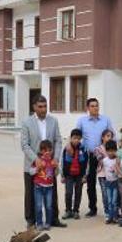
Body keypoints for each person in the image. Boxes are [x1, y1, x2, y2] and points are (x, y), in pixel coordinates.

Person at [21, 95, 65, 228]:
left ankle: (53, 219)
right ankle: (31, 220)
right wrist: (36, 159)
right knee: (30, 193)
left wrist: (56, 158)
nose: (43, 109)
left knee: (52, 192)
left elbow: (58, 140)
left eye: (45, 106)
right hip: (32, 164)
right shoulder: (27, 123)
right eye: (40, 106)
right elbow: (24, 144)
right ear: (34, 107)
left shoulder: (53, 121)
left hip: (50, 165)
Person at [76, 98, 114, 218]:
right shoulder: (82, 121)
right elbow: (77, 136)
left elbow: (112, 135)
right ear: (87, 108)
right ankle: (92, 208)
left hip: (105, 156)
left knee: (108, 181)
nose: (95, 108)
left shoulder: (105, 120)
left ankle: (110, 208)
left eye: (97, 106)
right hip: (90, 156)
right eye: (92, 106)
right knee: (90, 183)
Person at [31, 140, 57, 230]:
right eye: (45, 150)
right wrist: (38, 168)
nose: (48, 152)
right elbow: (31, 172)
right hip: (38, 186)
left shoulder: (52, 161)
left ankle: (48, 223)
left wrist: (56, 167)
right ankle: (39, 223)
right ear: (41, 151)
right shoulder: (38, 160)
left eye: (50, 150)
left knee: (49, 206)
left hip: (49, 187)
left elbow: (56, 173)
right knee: (38, 206)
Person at [61, 129, 87, 220]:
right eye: (75, 138)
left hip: (80, 175)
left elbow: (87, 163)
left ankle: (76, 211)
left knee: (78, 193)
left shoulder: (83, 148)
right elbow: (63, 162)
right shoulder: (66, 149)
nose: (77, 140)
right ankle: (68, 210)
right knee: (68, 192)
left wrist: (85, 175)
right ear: (70, 138)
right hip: (69, 175)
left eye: (79, 139)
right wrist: (62, 175)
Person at [93, 130, 115, 222]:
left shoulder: (115, 148)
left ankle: (114, 213)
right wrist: (111, 154)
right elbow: (101, 160)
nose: (109, 138)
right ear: (102, 137)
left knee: (114, 195)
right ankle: (107, 212)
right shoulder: (98, 149)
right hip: (102, 174)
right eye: (107, 136)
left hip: (114, 175)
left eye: (111, 136)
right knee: (105, 195)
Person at [100, 140, 120, 224]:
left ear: (115, 150)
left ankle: (115, 216)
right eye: (109, 151)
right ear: (106, 151)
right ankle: (109, 216)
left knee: (114, 201)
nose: (111, 153)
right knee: (109, 200)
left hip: (115, 182)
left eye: (113, 150)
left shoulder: (117, 160)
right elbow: (102, 169)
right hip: (108, 183)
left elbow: (119, 170)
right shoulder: (104, 160)